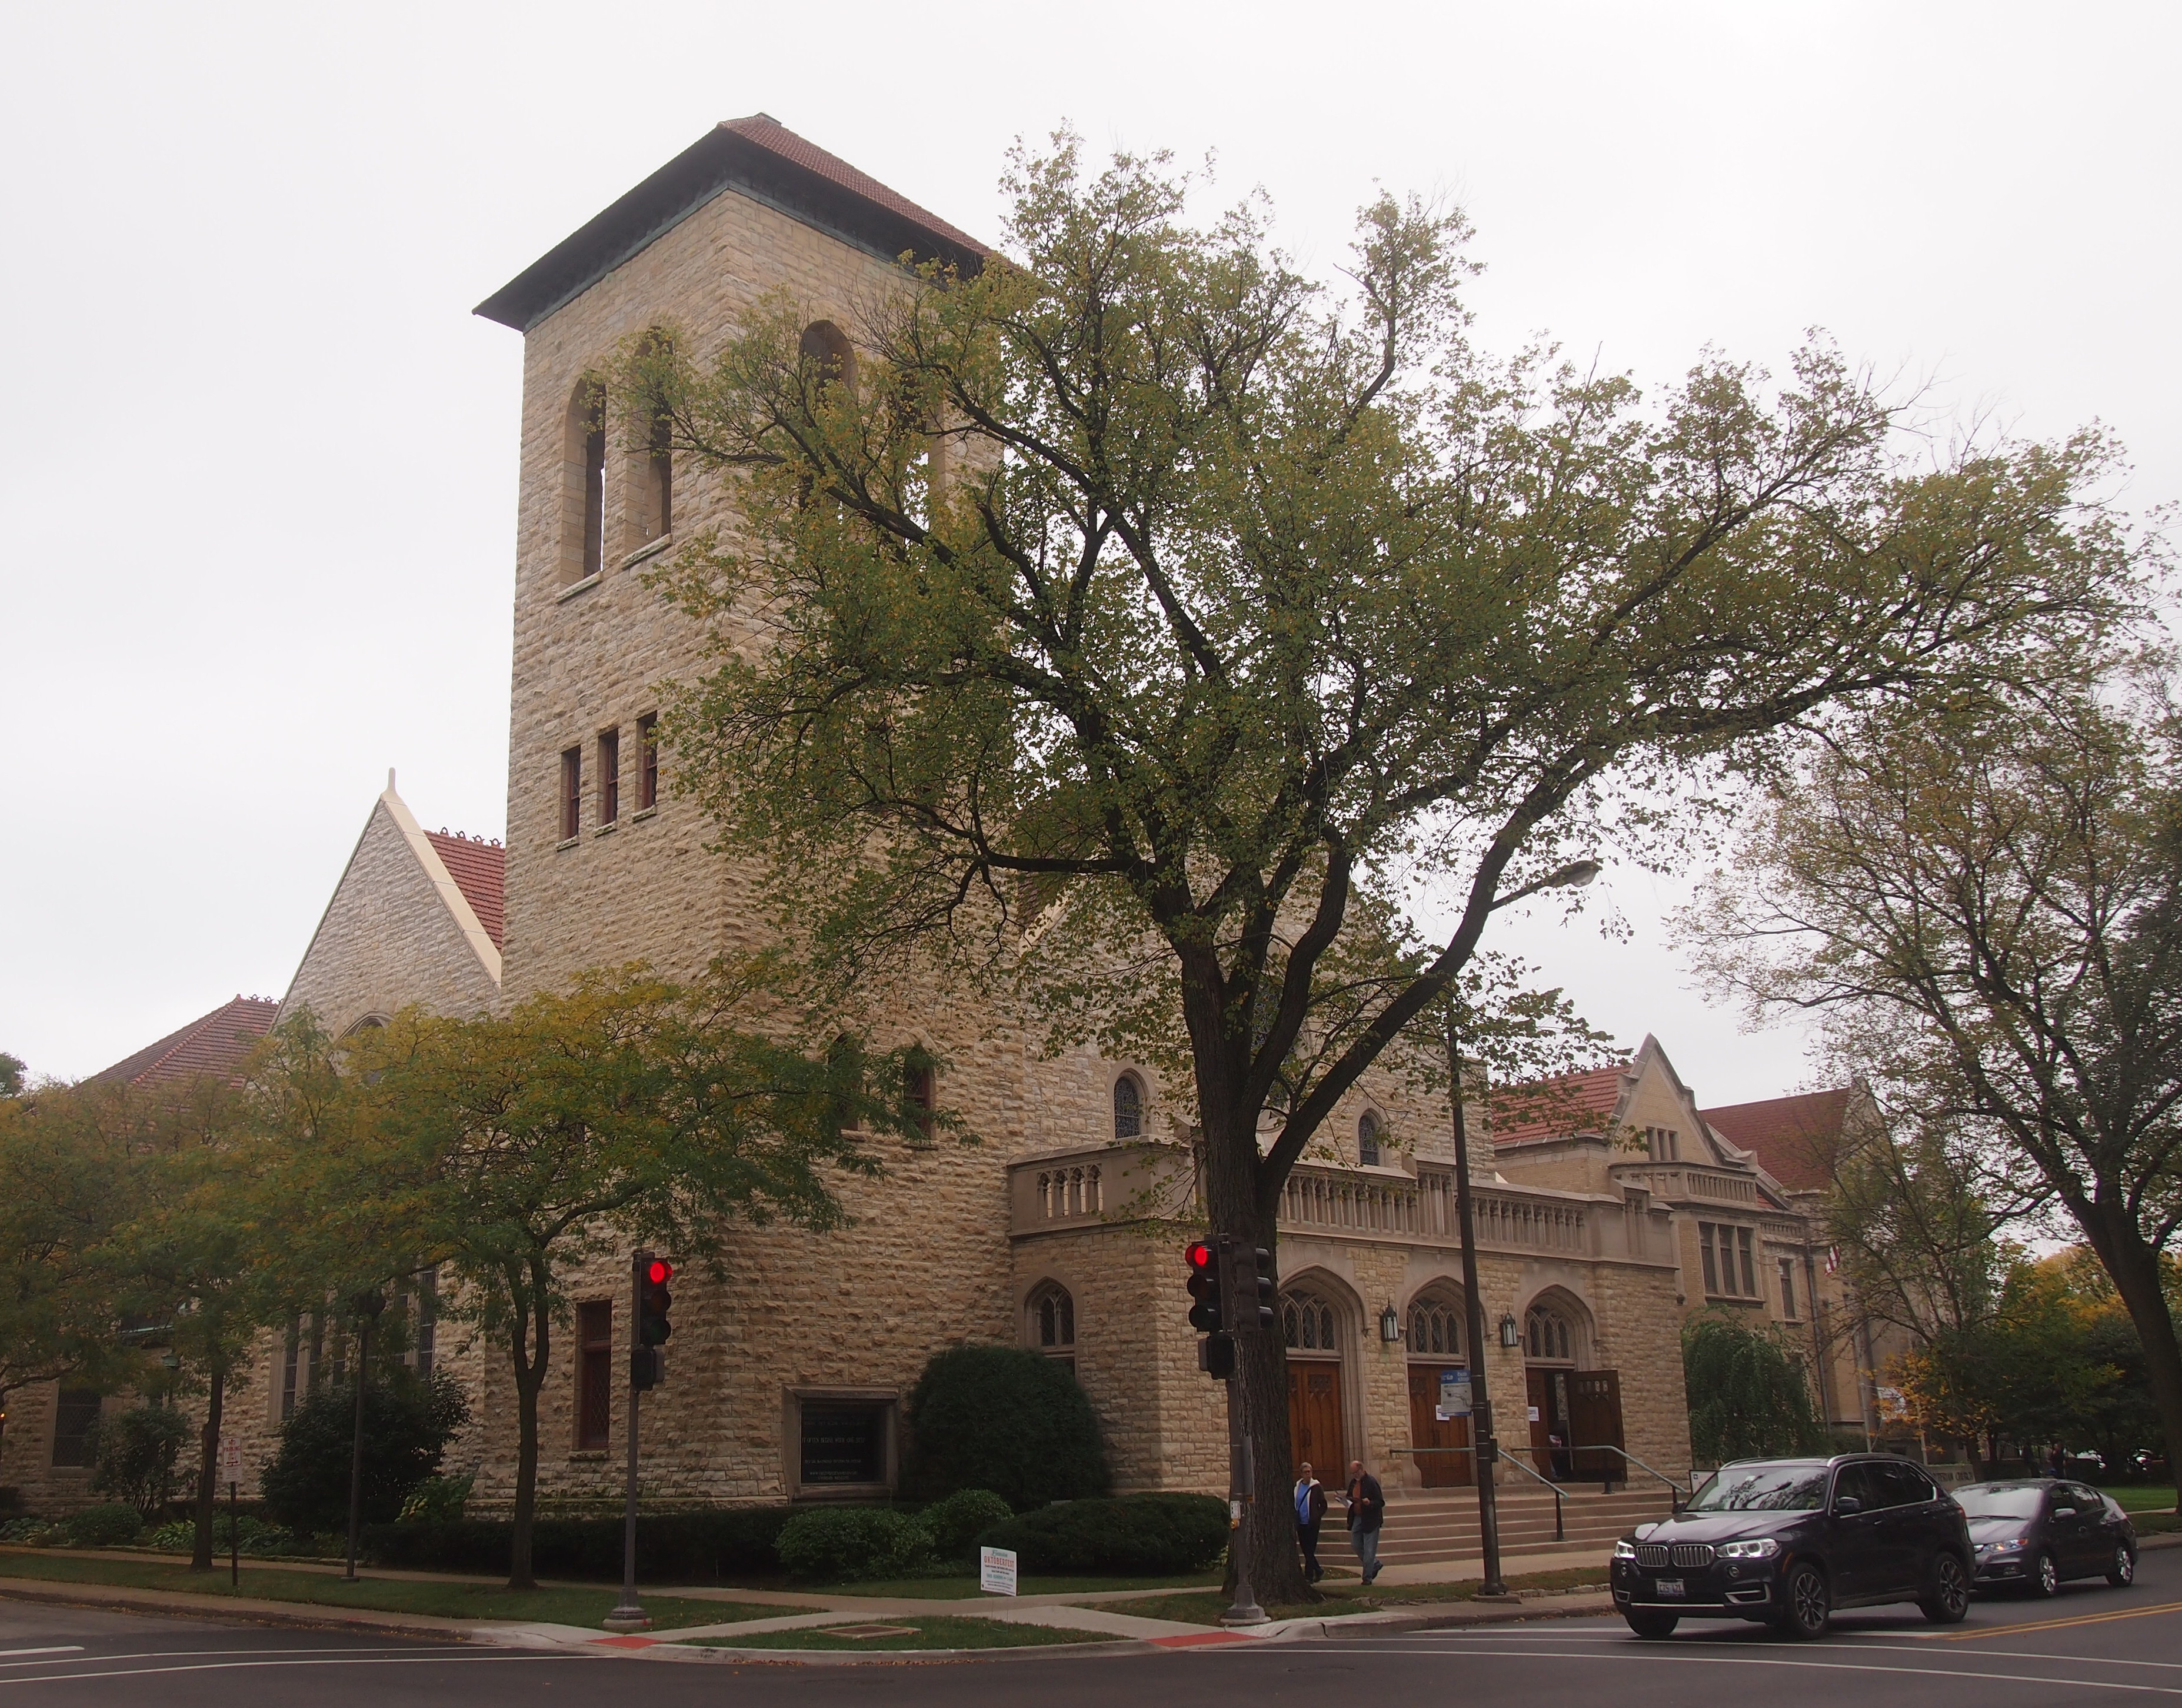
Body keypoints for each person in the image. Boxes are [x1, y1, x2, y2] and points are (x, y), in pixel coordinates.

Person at [1344, 1458, 1385, 1586]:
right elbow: (1350, 1497)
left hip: (1371, 1519)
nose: (1354, 1475)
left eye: (1356, 1472)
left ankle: (1367, 1578)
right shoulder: (1353, 1483)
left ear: (1361, 1470)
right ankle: (1375, 1564)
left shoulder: (1371, 1482)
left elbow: (1380, 1502)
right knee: (1356, 1545)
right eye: (1352, 1473)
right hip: (1357, 1517)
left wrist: (1370, 1503)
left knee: (1369, 1550)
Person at [1294, 1461, 1327, 1582]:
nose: (1308, 1475)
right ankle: (1318, 1570)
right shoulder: (1297, 1487)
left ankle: (1309, 1576)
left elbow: (1323, 1505)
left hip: (1312, 1523)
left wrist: (1316, 1516)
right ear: (1301, 1474)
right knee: (1306, 1549)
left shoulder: (1316, 1487)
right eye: (1306, 1472)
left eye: (1310, 1472)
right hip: (1301, 1523)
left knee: (1310, 1550)